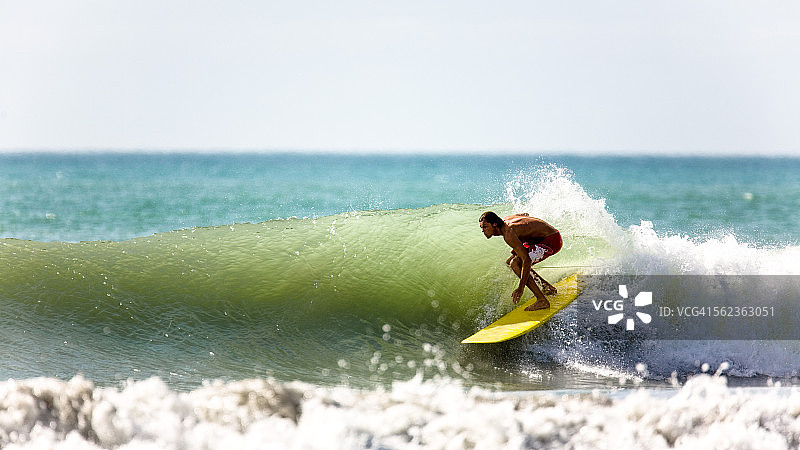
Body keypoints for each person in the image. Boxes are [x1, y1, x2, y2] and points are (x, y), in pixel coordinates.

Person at [479, 211, 563, 311]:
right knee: (510, 262)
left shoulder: (508, 233)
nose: (483, 231)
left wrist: (520, 288)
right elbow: (525, 215)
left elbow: (526, 261)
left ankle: (542, 300)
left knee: (515, 264)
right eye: (481, 228)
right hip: (538, 239)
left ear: (494, 224)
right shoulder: (506, 220)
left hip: (551, 241)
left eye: (485, 227)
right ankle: (547, 288)